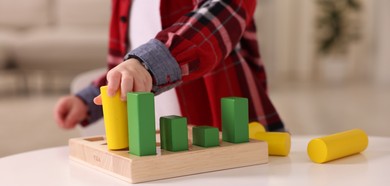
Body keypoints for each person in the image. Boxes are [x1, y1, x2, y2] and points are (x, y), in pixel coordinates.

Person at [54, 0, 285, 132]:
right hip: (155, 142)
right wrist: (89, 99)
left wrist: (148, 63)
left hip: (222, 132)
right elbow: (127, 66)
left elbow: (221, 16)